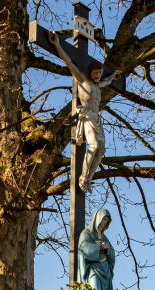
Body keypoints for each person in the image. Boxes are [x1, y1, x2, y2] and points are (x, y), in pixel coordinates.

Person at [49, 31, 120, 192]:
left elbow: (107, 81)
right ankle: (83, 176)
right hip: (86, 115)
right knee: (93, 146)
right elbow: (69, 62)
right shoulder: (83, 79)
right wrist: (57, 45)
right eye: (95, 73)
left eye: (99, 74)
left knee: (101, 151)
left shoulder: (97, 84)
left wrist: (114, 75)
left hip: (96, 117)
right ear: (90, 72)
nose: (98, 76)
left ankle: (89, 178)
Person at [77, 208, 116, 290]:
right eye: (103, 219)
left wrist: (106, 249)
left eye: (106, 220)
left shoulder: (104, 237)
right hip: (93, 269)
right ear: (97, 218)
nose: (104, 222)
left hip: (105, 269)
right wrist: (99, 247)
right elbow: (84, 249)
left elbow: (111, 253)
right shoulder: (86, 233)